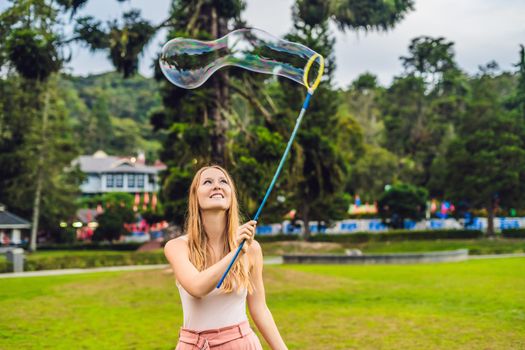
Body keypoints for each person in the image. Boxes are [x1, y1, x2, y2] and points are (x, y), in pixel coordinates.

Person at [164, 165, 288, 350]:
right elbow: (197, 287)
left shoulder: (252, 249)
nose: (217, 186)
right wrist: (235, 254)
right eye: (207, 182)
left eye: (223, 181)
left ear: (231, 196)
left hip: (241, 343)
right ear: (195, 197)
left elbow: (259, 309)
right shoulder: (177, 247)